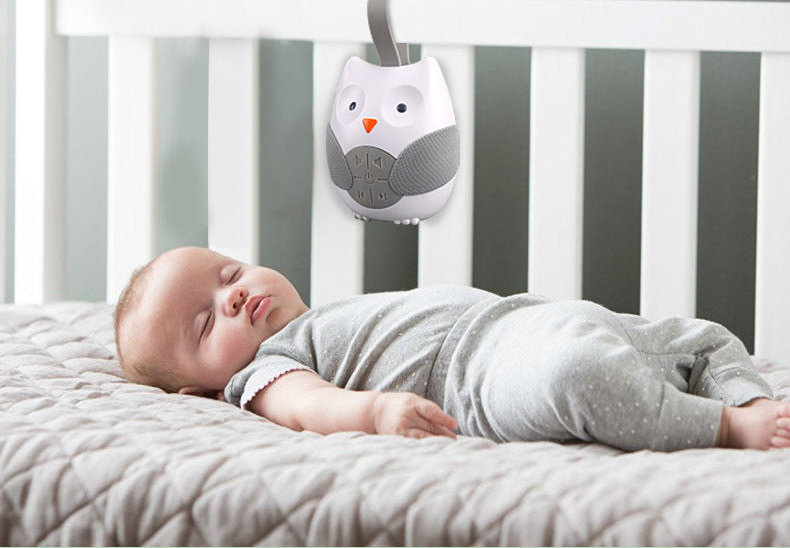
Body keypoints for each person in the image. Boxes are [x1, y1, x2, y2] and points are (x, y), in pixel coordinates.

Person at [115, 246, 790, 451]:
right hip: (482, 380)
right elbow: (307, 405)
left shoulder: (324, 317)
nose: (231, 297)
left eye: (229, 274)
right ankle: (728, 424)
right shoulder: (262, 372)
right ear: (199, 388)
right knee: (579, 374)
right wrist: (375, 414)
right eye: (205, 323)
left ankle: (748, 391)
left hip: (524, 319)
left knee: (699, 335)